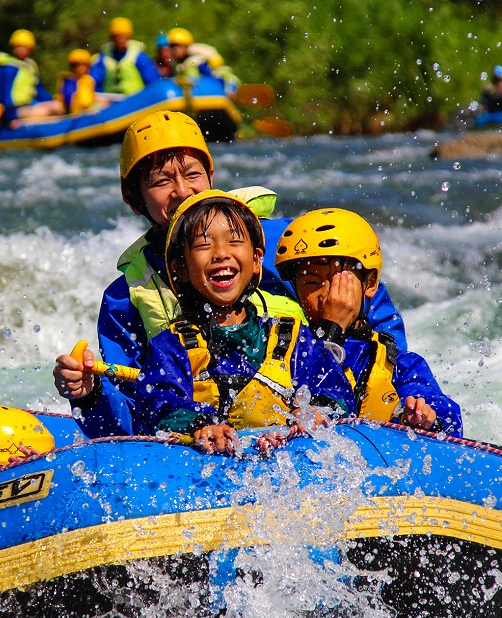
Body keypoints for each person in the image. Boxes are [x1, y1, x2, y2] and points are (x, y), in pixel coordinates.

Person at [52, 110, 410, 440]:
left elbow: (379, 345)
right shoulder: (127, 298)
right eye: (162, 180)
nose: (182, 191)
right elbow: (132, 419)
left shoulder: (279, 242)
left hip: (314, 396)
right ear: (134, 199)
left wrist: (335, 340)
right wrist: (91, 394)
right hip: (201, 428)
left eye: (193, 174)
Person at [136, 191, 355, 454]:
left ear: (256, 260)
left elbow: (334, 391)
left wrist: (315, 412)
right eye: (204, 245)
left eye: (234, 242)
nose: (220, 254)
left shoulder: (293, 338)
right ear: (181, 268)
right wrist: (202, 422)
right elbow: (157, 402)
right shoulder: (170, 346)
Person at [274, 208, 462, 436]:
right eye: (312, 283)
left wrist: (428, 418)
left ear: (370, 283)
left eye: (338, 282)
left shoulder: (400, 365)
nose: (328, 295)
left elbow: (450, 425)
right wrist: (330, 332)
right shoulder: (283, 349)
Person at [0, 29, 64, 121]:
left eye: (25, 47)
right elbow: (5, 93)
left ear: (30, 49)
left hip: (28, 104)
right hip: (13, 109)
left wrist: (52, 101)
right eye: (18, 47)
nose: (21, 50)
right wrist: (10, 116)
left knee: (58, 106)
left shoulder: (30, 66)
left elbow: (39, 90)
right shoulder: (8, 67)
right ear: (13, 47)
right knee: (43, 112)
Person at [88, 17, 160, 98]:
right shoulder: (103, 58)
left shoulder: (139, 56)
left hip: (135, 102)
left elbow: (153, 81)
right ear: (112, 38)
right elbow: (93, 81)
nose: (120, 40)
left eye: (123, 36)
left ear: (129, 37)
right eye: (116, 36)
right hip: (110, 102)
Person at [56, 49, 100, 115]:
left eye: (83, 65)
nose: (80, 68)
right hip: (75, 113)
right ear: (72, 67)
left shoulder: (89, 80)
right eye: (77, 65)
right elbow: (69, 99)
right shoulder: (69, 82)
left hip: (90, 111)